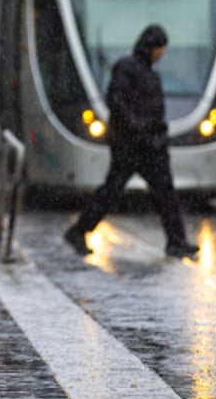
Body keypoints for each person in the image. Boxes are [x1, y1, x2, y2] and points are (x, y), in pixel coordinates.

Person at [63, 24, 199, 260]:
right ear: (150, 47)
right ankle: (78, 231)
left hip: (151, 146)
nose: (162, 53)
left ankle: (176, 241)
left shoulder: (150, 73)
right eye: (159, 48)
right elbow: (117, 102)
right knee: (111, 192)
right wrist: (138, 129)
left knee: (165, 193)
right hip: (130, 146)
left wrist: (156, 135)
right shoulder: (126, 68)